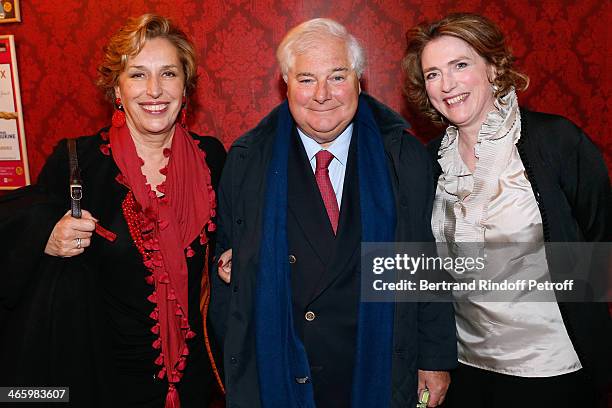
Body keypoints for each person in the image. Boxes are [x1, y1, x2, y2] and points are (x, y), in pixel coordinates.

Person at [208, 18, 457, 408]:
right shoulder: (246, 161)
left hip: (376, 363)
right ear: (285, 83)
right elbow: (225, 262)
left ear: (359, 80)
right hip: (283, 367)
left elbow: (424, 261)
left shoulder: (401, 156)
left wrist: (434, 358)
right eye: (306, 79)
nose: (322, 94)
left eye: (337, 76)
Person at [0, 14, 226, 407]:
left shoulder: (215, 158)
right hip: (101, 381)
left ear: (185, 87)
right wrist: (45, 235)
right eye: (137, 74)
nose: (154, 90)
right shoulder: (79, 163)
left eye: (168, 73)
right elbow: (16, 225)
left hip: (197, 382)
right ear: (117, 89)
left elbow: (233, 243)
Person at [403, 13, 611, 407]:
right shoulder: (428, 162)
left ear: (494, 68)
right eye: (432, 74)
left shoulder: (556, 142)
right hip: (463, 370)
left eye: (460, 65)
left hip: (553, 371)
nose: (446, 85)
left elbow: (599, 242)